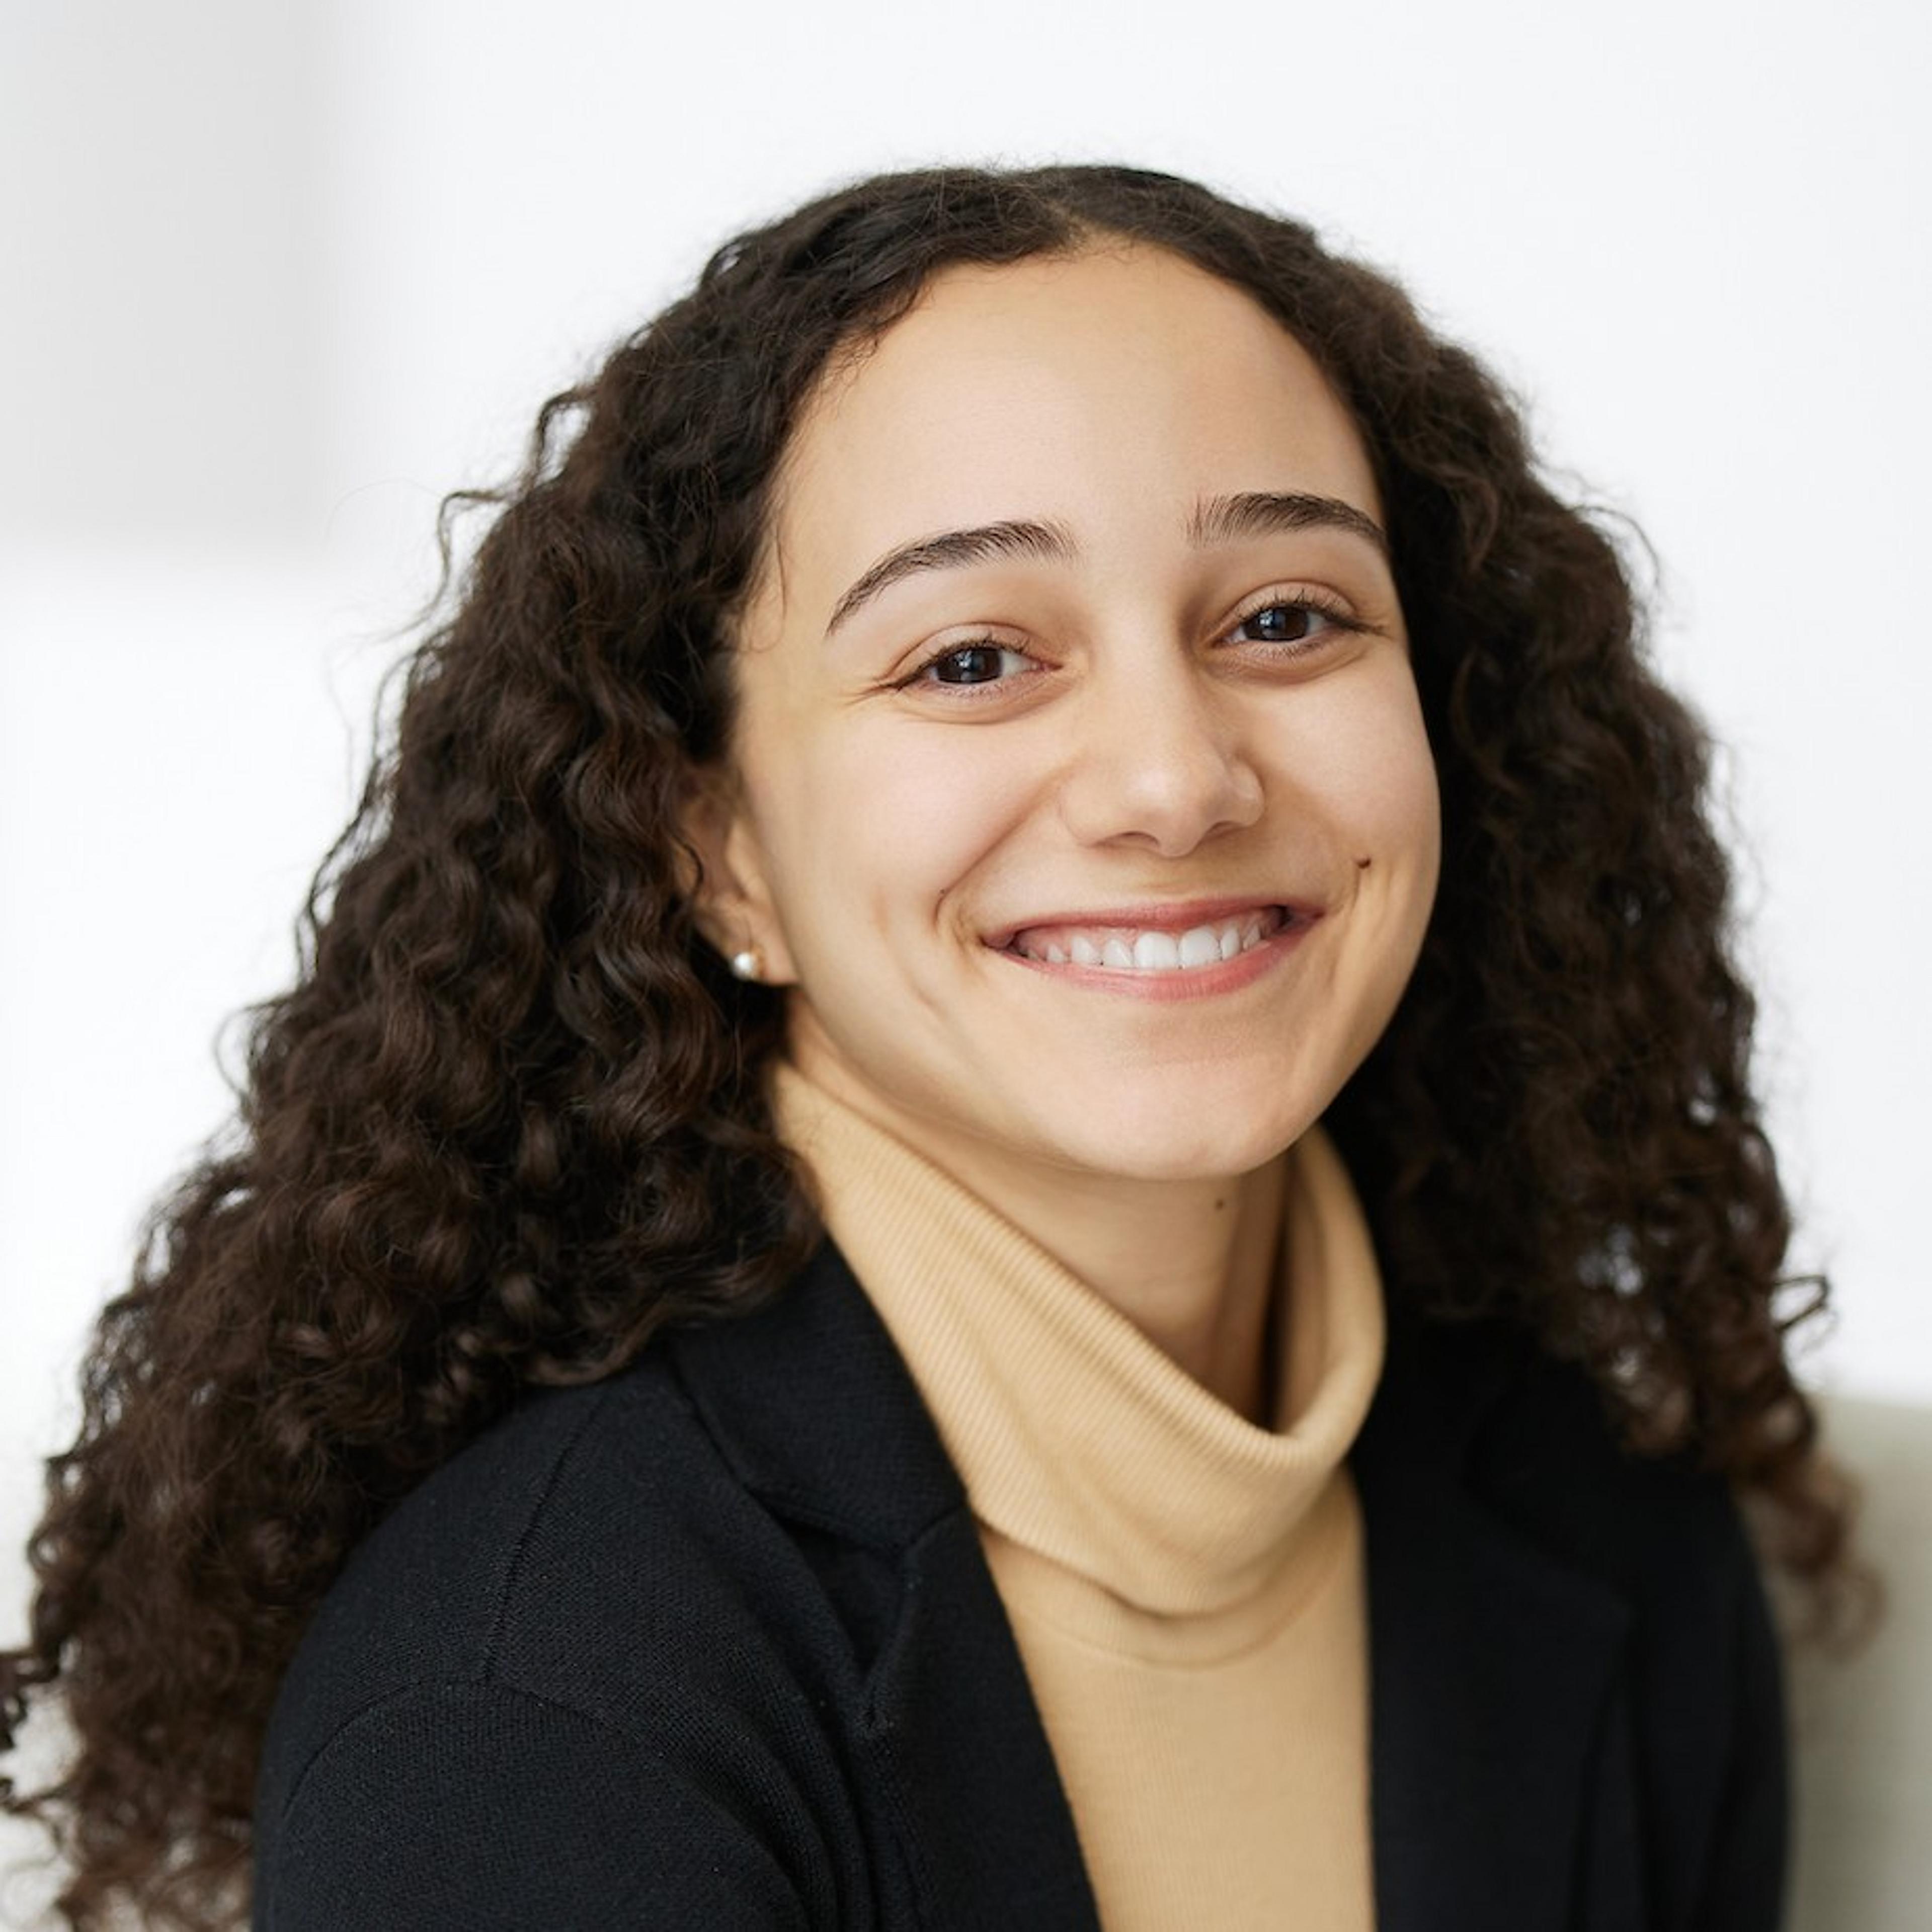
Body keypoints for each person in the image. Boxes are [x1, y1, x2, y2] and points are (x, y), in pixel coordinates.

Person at [0, 163, 1853, 1931]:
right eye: (972, 658)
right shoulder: (525, 1711)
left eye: (1286, 619)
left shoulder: (1619, 1532)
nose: (1176, 780)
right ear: (715, 847)